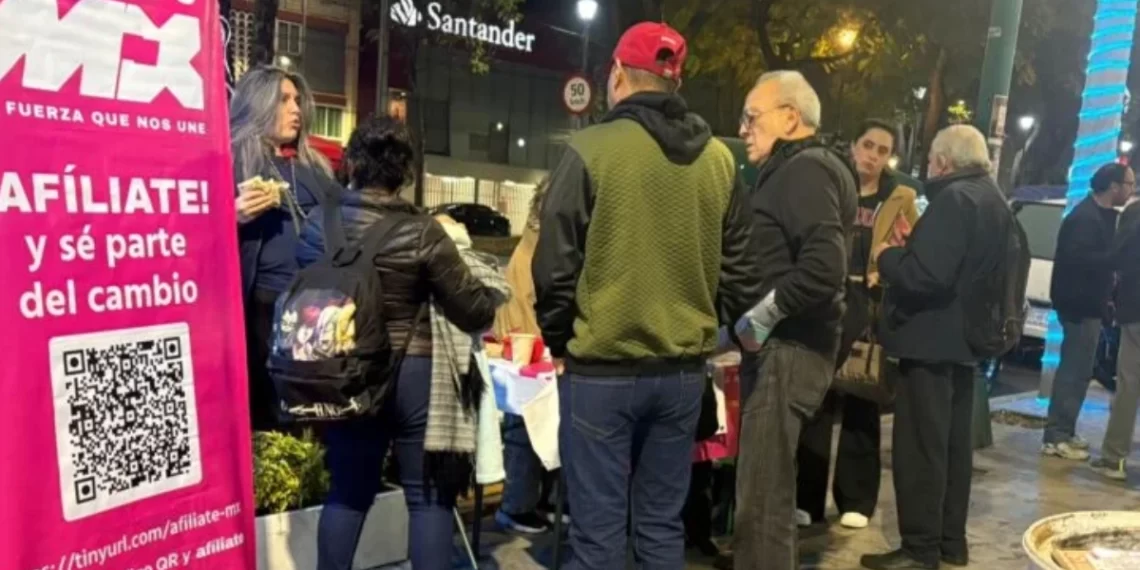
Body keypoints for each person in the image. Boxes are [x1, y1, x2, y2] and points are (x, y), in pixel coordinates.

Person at [533, 21, 762, 570]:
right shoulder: (719, 161)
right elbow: (742, 273)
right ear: (675, 82)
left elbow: (554, 266)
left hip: (601, 372)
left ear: (617, 73)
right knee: (661, 529)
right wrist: (707, 330)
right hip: (681, 374)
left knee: (598, 537)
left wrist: (562, 340)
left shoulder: (590, 149)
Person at [296, 116, 504, 570]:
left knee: (347, 493)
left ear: (352, 164)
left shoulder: (317, 224)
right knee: (427, 500)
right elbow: (474, 311)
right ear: (405, 174)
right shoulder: (423, 231)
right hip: (414, 376)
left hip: (344, 372)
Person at [860, 125, 1011, 570]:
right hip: (965, 342)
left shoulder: (953, 200)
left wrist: (888, 256)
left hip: (930, 343)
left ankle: (919, 548)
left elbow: (926, 277)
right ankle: (950, 542)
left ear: (943, 161)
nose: (927, 166)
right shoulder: (991, 198)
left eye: (929, 158)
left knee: (921, 448)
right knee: (953, 448)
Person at [729, 70, 857, 570]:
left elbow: (825, 267)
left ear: (789, 117)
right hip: (790, 348)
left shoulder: (805, 170)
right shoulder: (808, 167)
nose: (743, 128)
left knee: (762, 502)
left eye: (751, 116)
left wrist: (758, 321)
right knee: (767, 497)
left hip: (787, 351)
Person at [796, 119, 918, 530]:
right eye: (868, 145)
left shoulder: (900, 197)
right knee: (816, 398)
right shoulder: (832, 184)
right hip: (825, 298)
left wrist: (891, 260)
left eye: (883, 150)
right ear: (853, 145)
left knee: (862, 397)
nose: (873, 156)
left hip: (869, 303)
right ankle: (806, 499)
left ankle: (856, 499)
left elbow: (912, 249)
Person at [231, 66, 341, 431]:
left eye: (297, 100)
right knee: (269, 409)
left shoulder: (316, 166)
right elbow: (194, 233)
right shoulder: (233, 160)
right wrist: (232, 216)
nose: (296, 109)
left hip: (316, 303)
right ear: (258, 103)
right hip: (265, 305)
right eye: (283, 100)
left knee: (311, 409)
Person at [1043, 163, 1134, 461]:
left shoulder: (1105, 216)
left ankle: (1065, 430)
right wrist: (1115, 259)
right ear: (1113, 186)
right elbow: (1079, 261)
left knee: (1081, 372)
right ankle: (1056, 436)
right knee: (1074, 371)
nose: (1132, 190)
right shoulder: (1085, 218)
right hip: (1079, 306)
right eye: (1129, 184)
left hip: (1092, 305)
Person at [491, 179, 566, 534]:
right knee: (527, 426)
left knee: (539, 425)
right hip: (529, 346)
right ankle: (518, 506)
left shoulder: (533, 240)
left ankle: (534, 502)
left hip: (525, 342)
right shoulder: (542, 244)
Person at [1092, 192, 1140, 479]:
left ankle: (1114, 457)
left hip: (1135, 310)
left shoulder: (1134, 214)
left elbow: (1117, 258)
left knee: (1129, 384)